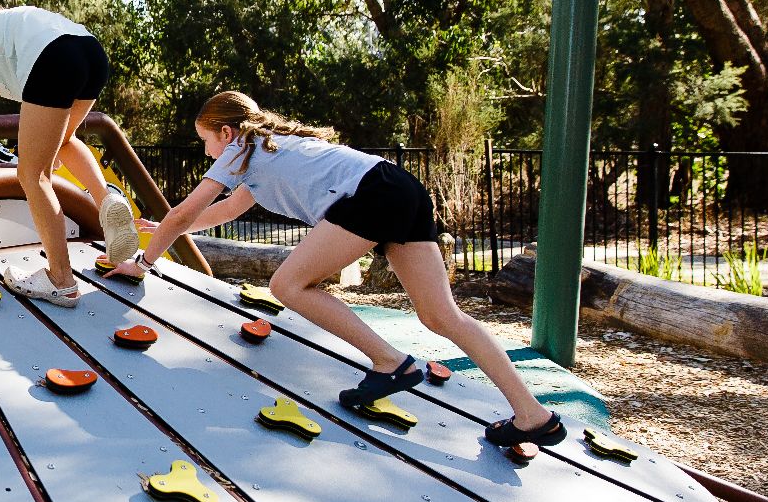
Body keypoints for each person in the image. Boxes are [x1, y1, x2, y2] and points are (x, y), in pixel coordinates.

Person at [107, 90, 564, 448]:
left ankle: (392, 363)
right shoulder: (266, 154)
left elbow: (186, 212)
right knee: (442, 317)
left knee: (287, 284)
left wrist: (143, 262)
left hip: (372, 196)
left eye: (205, 140)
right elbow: (222, 212)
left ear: (225, 133)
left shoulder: (241, 147)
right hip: (399, 188)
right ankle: (533, 416)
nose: (207, 152)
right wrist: (159, 228)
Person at [0, 0, 140, 307]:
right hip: (90, 51)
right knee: (65, 141)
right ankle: (107, 202)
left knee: (32, 176)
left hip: (53, 58)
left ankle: (61, 281)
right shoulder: (0, 23)